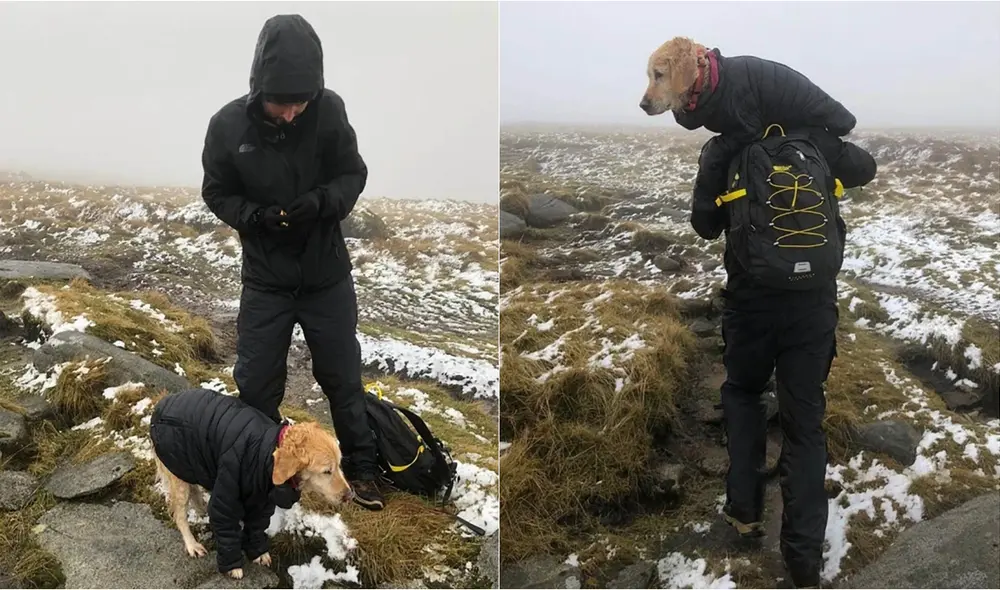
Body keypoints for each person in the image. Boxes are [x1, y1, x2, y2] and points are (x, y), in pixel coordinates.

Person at [641, 38, 877, 588]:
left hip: (750, 304)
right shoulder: (816, 141)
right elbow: (864, 168)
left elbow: (704, 226)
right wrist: (817, 154)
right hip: (812, 308)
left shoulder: (722, 149)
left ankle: (744, 512)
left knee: (744, 393)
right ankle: (803, 559)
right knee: (805, 422)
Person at [200, 14, 383, 511]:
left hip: (326, 277)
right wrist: (255, 217)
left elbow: (352, 174)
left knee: (343, 379)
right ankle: (263, 472)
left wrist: (321, 203)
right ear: (259, 87)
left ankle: (361, 469)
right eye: (281, 102)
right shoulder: (227, 125)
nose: (289, 113)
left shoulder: (330, 111)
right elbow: (216, 191)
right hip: (267, 281)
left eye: (300, 103)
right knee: (256, 383)